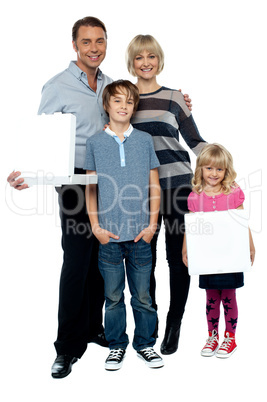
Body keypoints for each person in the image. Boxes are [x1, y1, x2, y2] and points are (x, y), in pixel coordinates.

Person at [6, 19, 191, 377]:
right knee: (76, 260)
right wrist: (28, 173)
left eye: (100, 41)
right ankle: (66, 347)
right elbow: (40, 136)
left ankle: (96, 328)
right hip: (76, 181)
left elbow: (136, 103)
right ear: (74, 45)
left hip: (115, 183)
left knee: (101, 258)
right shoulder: (57, 86)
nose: (94, 48)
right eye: (86, 42)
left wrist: (179, 102)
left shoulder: (109, 84)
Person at [126, 34, 206, 355]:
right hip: (141, 191)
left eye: (151, 57)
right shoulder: (125, 99)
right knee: (145, 259)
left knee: (178, 259)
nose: (146, 63)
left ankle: (175, 322)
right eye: (139, 58)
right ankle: (151, 320)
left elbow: (195, 141)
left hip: (178, 188)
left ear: (159, 60)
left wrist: (220, 163)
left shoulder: (174, 98)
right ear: (131, 63)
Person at [84, 79, 164, 370]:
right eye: (117, 100)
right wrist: (96, 227)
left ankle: (145, 344)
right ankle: (117, 345)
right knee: (113, 297)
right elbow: (90, 188)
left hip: (141, 234)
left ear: (134, 107)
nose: (123, 106)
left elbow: (153, 185)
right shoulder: (94, 142)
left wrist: (152, 224)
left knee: (143, 297)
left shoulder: (144, 140)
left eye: (129, 102)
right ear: (106, 105)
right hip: (109, 236)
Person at [182, 143, 255, 358]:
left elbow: (242, 222)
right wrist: (186, 248)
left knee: (229, 296)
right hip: (207, 257)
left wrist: (250, 245)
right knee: (211, 297)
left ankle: (230, 337)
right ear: (201, 169)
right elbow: (191, 226)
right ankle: (212, 336)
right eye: (209, 168)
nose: (214, 174)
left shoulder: (233, 192)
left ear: (226, 171)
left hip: (231, 254)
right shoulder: (195, 196)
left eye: (219, 169)